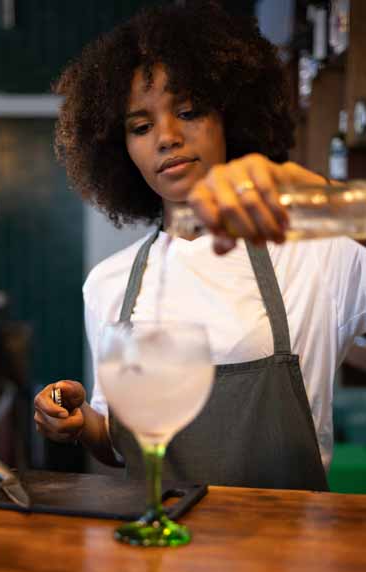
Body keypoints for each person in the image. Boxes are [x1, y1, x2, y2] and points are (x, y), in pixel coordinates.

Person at [34, 1, 366, 490]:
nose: (167, 137)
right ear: (119, 149)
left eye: (189, 111)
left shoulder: (320, 256)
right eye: (141, 127)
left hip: (288, 555)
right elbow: (119, 443)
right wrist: (82, 423)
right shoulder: (108, 285)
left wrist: (325, 205)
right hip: (156, 552)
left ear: (229, 117)